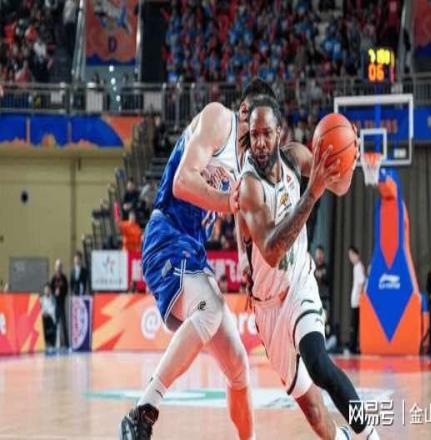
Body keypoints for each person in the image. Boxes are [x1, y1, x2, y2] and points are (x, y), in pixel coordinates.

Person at [120, 78, 277, 440]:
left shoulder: (247, 161)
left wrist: (244, 259)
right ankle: (142, 411)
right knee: (209, 308)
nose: (262, 138)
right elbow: (182, 182)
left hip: (193, 250)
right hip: (167, 234)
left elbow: (240, 211)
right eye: (258, 125)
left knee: (238, 364)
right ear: (244, 112)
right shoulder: (219, 119)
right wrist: (226, 202)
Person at [238, 97, 379, 440]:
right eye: (254, 134)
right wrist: (311, 194)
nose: (260, 141)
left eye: (266, 133)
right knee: (315, 414)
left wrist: (347, 157)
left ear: (279, 132)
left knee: (318, 362)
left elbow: (339, 186)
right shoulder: (250, 187)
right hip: (268, 309)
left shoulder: (295, 157)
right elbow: (271, 252)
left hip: (299, 283)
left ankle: (370, 435)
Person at [348, 246, 365, 354]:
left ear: (356, 255)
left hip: (357, 301)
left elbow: (361, 282)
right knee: (354, 324)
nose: (350, 258)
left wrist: (360, 297)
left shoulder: (358, 266)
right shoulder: (356, 267)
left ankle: (353, 347)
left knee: (355, 325)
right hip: (355, 300)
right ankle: (353, 345)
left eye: (351, 255)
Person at [50, 259, 69, 350]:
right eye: (57, 266)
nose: (58, 268)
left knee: (64, 324)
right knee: (55, 324)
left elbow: (66, 290)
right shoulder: (53, 278)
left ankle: (66, 344)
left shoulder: (64, 278)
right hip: (55, 304)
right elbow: (50, 289)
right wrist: (55, 293)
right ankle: (54, 344)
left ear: (61, 267)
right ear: (55, 267)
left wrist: (60, 292)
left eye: (60, 266)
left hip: (62, 303)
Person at [40, 283, 56, 353]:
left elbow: (53, 309)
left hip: (51, 317)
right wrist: (43, 313)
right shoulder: (41, 299)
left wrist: (48, 313)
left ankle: (51, 344)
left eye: (48, 289)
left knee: (49, 322)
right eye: (45, 290)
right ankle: (45, 343)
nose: (47, 291)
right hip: (43, 317)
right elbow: (39, 309)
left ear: (50, 290)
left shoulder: (53, 299)